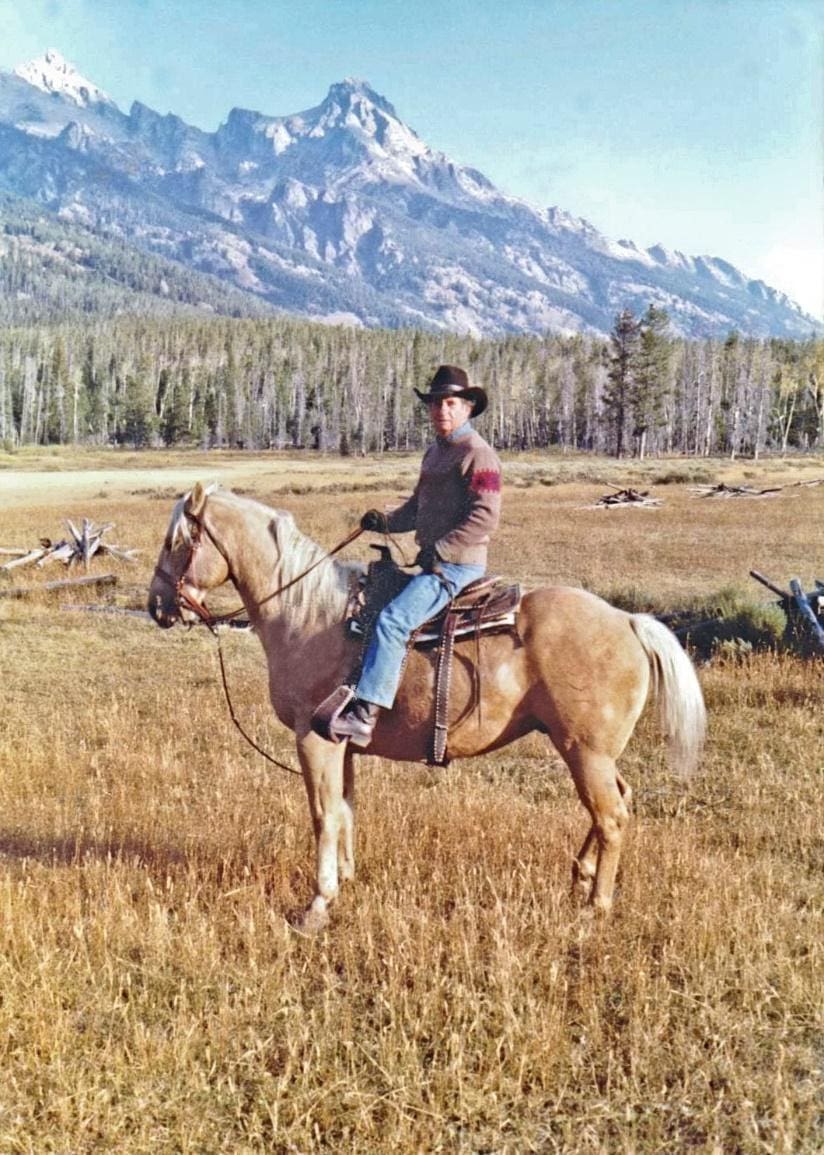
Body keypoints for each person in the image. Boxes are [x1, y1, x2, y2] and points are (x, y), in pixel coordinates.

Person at [325, 364, 502, 747]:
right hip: (435, 561)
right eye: (436, 404)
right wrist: (384, 522)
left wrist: (441, 549)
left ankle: (364, 715)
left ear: (468, 407)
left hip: (457, 566)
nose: (442, 411)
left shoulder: (479, 454)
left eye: (451, 403)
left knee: (392, 621)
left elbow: (486, 514)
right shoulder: (434, 453)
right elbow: (416, 509)